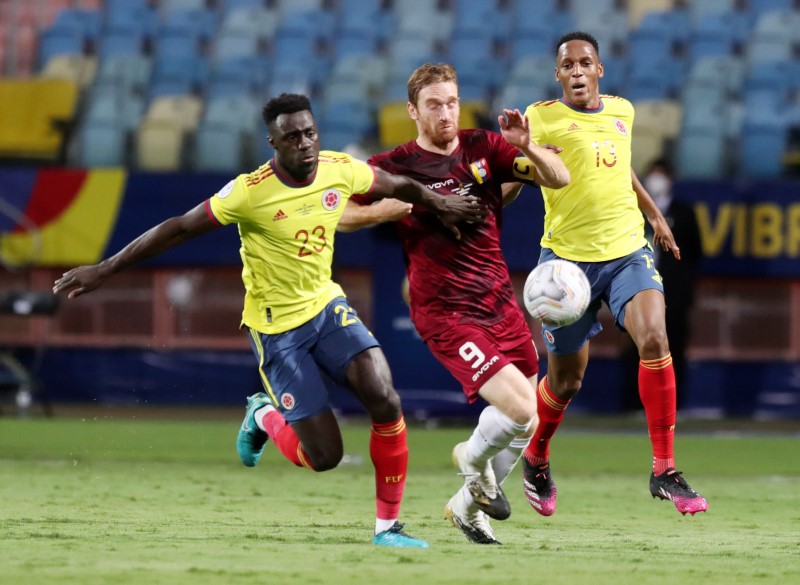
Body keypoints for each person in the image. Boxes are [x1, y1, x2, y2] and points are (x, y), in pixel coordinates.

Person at [52, 93, 489, 548]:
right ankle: (262, 415)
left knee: (385, 398)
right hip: (278, 329)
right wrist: (104, 269)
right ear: (274, 143)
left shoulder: (339, 167)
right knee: (325, 457)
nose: (305, 143)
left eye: (310, 132)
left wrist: (440, 204)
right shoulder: (250, 192)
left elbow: (398, 185)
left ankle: (388, 528)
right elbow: (178, 228)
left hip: (326, 307)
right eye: (293, 136)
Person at [339, 63, 571, 544]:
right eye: (434, 104)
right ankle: (470, 459)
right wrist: (404, 204)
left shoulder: (484, 147)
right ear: (412, 111)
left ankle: (468, 507)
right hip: (446, 311)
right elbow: (341, 214)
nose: (446, 113)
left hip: (500, 302)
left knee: (526, 424)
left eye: (451, 102)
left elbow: (559, 177)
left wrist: (526, 146)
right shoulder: (394, 165)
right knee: (522, 407)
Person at [517, 32, 708, 517]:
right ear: (558, 74)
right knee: (566, 382)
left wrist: (654, 214)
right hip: (565, 266)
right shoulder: (539, 118)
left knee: (654, 339)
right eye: (568, 65)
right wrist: (524, 151)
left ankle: (664, 469)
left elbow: (620, 167)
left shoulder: (622, 111)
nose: (577, 71)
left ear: (599, 69)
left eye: (585, 63)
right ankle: (536, 455)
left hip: (627, 251)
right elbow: (527, 171)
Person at [621, 158, 703, 412]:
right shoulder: (630, 210)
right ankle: (634, 407)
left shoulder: (684, 212)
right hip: (637, 289)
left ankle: (673, 408)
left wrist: (685, 290)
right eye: (653, 174)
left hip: (674, 296)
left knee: (674, 348)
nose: (657, 179)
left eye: (662, 174)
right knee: (635, 347)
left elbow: (696, 254)